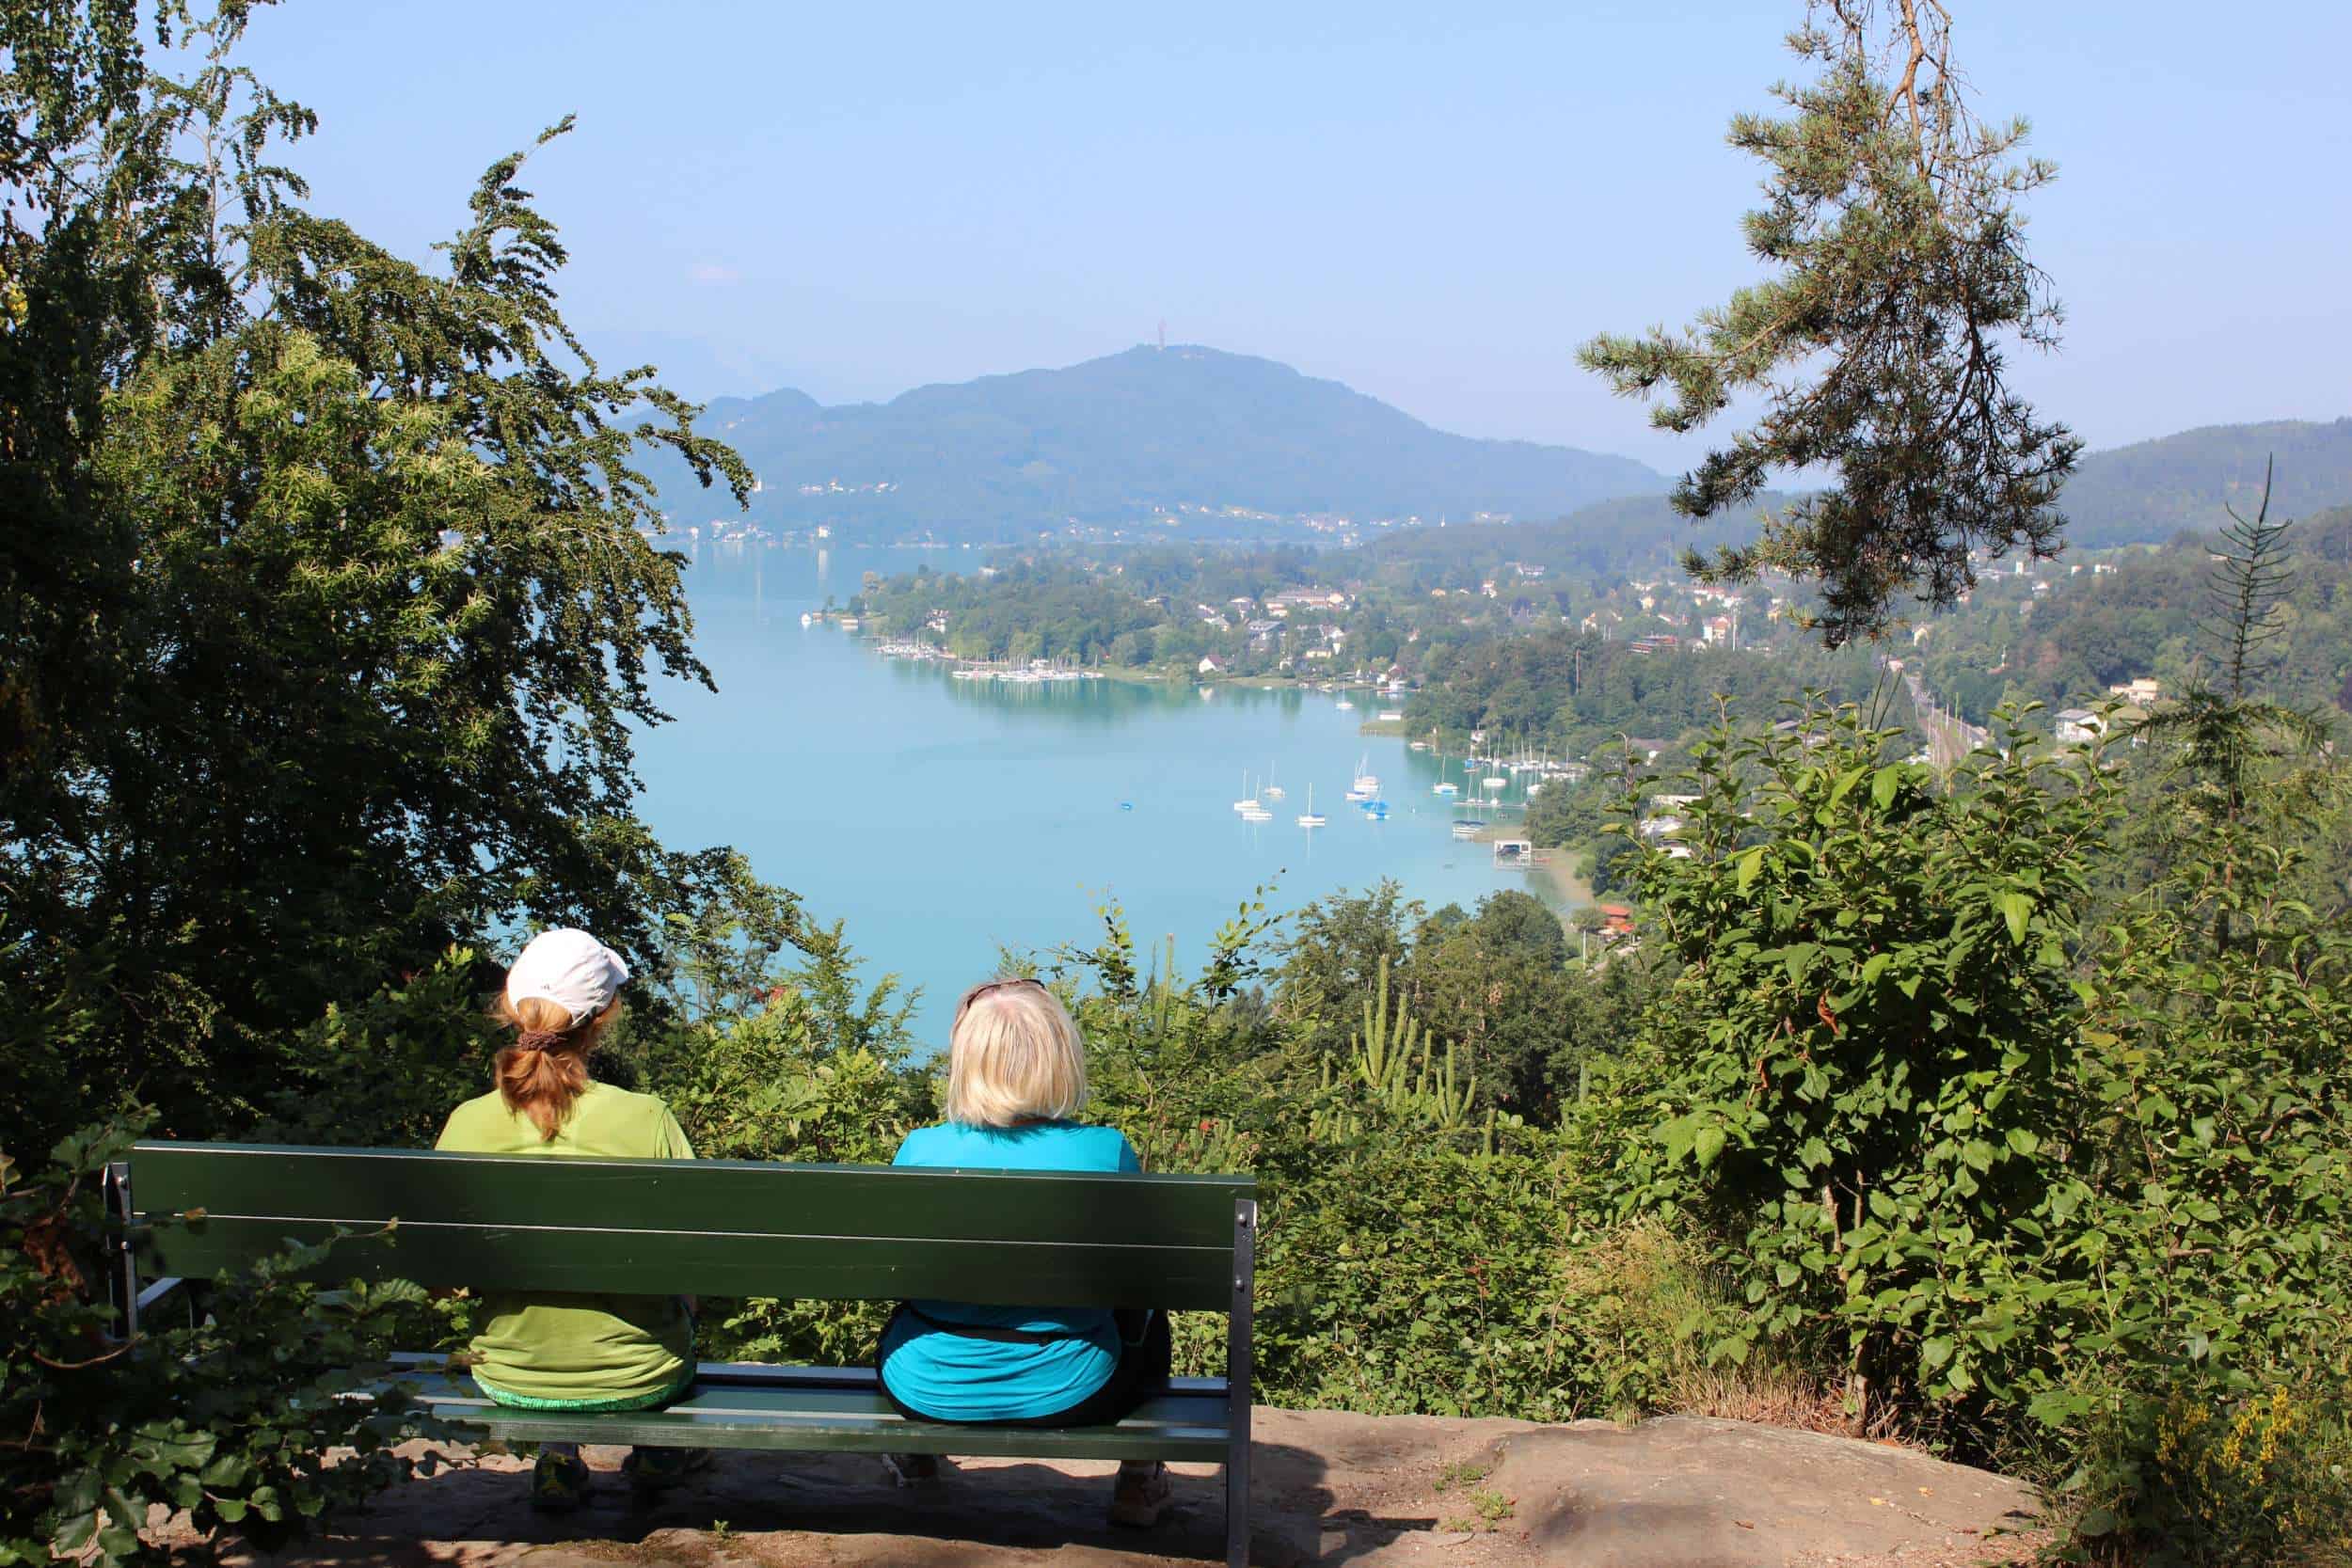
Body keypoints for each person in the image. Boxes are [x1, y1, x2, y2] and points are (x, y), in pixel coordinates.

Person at [876, 977, 1175, 1528]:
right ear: (1058, 1056)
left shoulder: (921, 1149)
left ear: (968, 1060)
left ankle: (916, 1457)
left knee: (915, 1305)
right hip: (1071, 1387)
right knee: (1149, 1313)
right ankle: (1138, 1476)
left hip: (925, 1386)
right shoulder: (1106, 1152)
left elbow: (898, 1271)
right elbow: (1142, 1281)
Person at [435, 927, 703, 1513]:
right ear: (603, 1016)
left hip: (511, 1372)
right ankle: (656, 1450)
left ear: (510, 1007)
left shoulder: (467, 1124)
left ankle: (558, 1454)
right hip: (638, 1374)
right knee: (677, 1292)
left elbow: (441, 1272)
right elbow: (695, 1252)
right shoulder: (646, 1117)